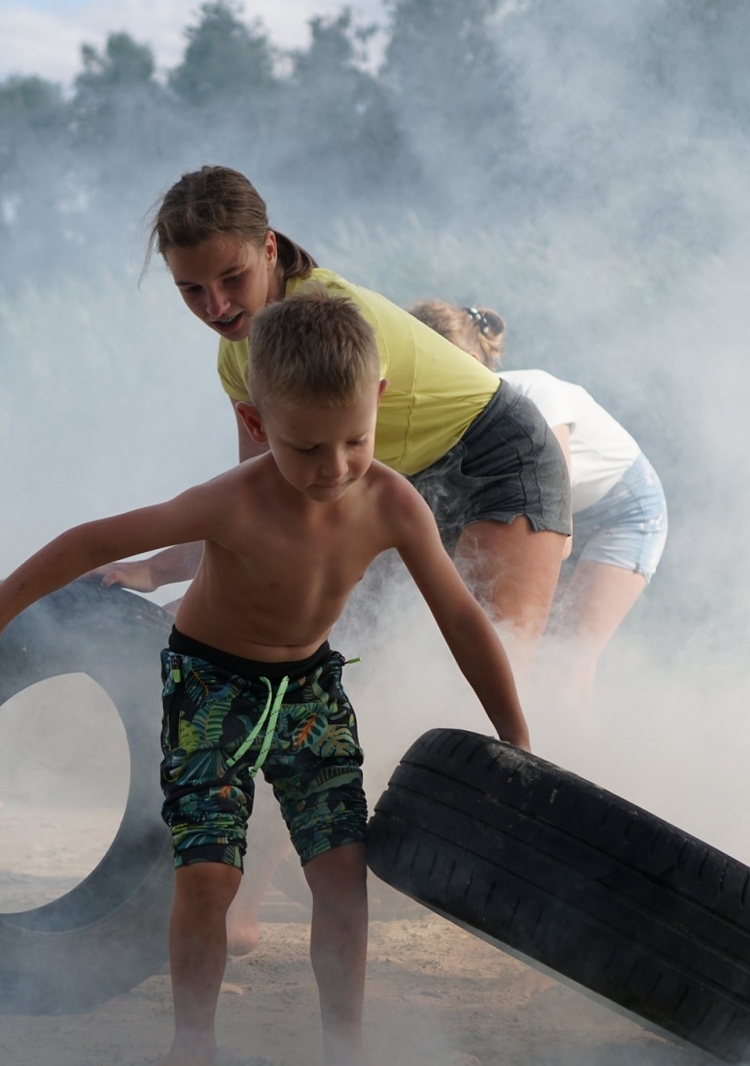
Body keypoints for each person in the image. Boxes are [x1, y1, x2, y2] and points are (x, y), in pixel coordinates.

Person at [0, 290, 530, 1066]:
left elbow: (461, 619)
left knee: (340, 874)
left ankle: (348, 1048)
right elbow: (88, 540)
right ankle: (192, 1042)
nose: (332, 468)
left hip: (309, 694)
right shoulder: (229, 503)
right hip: (209, 691)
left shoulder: (394, 504)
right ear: (259, 426)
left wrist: (516, 735)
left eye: (354, 441)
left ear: (380, 402)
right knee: (207, 878)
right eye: (305, 449)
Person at [95, 165, 569, 956]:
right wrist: (154, 573)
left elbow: (302, 514)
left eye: (231, 277)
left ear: (269, 248)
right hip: (395, 479)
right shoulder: (240, 358)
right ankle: (240, 909)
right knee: (304, 671)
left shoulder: (327, 321)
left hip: (495, 460)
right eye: (191, 290)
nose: (215, 306)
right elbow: (261, 504)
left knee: (488, 669)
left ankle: (551, 906)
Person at [407, 300, 669, 720]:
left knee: (564, 665)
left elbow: (555, 530)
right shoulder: (443, 422)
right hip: (549, 520)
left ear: (470, 363)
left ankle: (585, 771)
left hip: (622, 515)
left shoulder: (533, 394)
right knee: (508, 652)